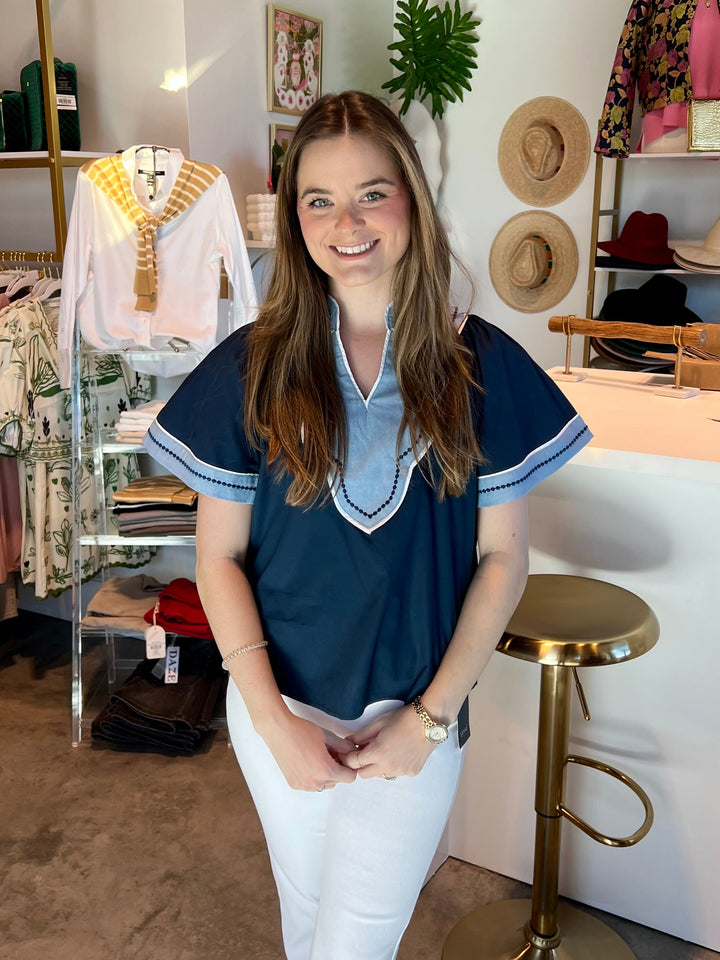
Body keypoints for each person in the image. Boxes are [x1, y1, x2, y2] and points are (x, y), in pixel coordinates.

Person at [144, 90, 591, 960]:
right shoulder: (251, 367)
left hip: (412, 714)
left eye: (371, 193)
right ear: (295, 215)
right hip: (278, 704)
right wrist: (274, 723)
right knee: (306, 917)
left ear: (412, 202)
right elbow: (219, 557)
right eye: (319, 200)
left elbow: (504, 559)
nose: (345, 222)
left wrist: (427, 720)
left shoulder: (480, 364)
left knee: (360, 939)